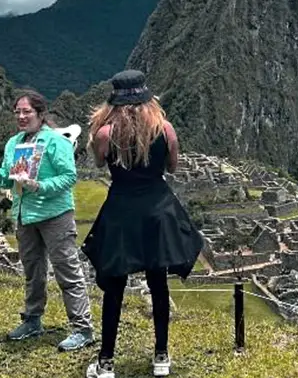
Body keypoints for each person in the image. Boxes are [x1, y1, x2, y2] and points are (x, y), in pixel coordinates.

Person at [81, 70, 204, 378]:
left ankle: (106, 361)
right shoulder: (165, 129)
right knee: (158, 282)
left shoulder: (105, 134)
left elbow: (100, 162)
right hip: (157, 211)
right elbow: (172, 167)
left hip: (121, 211)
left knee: (114, 286)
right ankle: (161, 355)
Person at [0, 89, 94, 351]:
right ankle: (32, 320)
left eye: (26, 111)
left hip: (55, 215)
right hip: (24, 214)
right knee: (33, 271)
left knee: (67, 270)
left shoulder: (55, 142)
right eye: (17, 112)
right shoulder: (13, 144)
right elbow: (9, 179)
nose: (21, 116)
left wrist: (39, 186)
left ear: (40, 114)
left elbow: (68, 176)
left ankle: (82, 328)